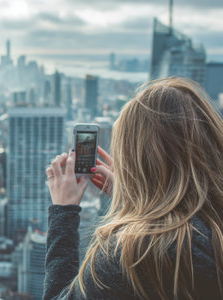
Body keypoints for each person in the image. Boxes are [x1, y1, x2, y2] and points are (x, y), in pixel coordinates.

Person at [43, 78, 223, 300]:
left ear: (134, 163)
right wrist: (132, 198)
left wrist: (63, 211)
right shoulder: (212, 233)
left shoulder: (128, 257)